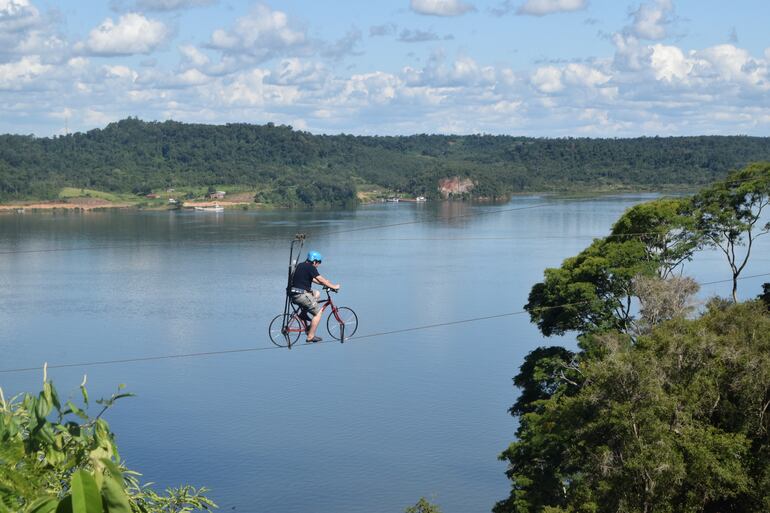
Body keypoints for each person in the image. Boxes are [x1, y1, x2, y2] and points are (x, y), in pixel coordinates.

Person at [288, 250, 340, 343]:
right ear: (314, 261)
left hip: (294, 293)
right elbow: (320, 278)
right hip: (301, 295)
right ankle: (310, 337)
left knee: (317, 294)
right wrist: (334, 286)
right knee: (318, 313)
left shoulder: (301, 265)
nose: (318, 265)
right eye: (318, 263)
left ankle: (304, 313)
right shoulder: (310, 267)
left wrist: (325, 284)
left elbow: (313, 279)